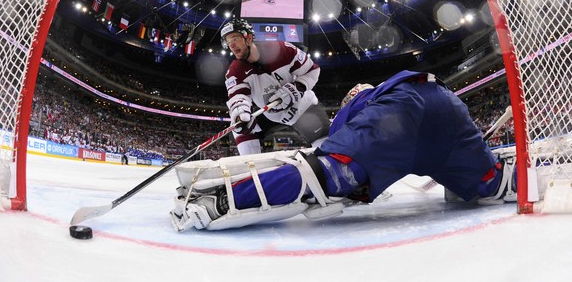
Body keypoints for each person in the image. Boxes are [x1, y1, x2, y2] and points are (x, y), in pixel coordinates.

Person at [170, 70, 516, 231]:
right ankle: (522, 168)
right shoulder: (381, 92)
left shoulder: (361, 104)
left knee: (325, 173)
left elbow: (329, 158)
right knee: (491, 185)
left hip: (399, 114)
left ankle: (221, 196)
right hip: (447, 104)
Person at [220, 18, 330, 156]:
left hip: (302, 107)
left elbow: (312, 70)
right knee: (239, 126)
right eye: (228, 42)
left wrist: (297, 87)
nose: (232, 45)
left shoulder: (281, 49)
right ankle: (252, 169)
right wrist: (240, 111)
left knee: (327, 149)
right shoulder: (235, 71)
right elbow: (239, 96)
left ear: (248, 37)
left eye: (235, 39)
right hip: (268, 113)